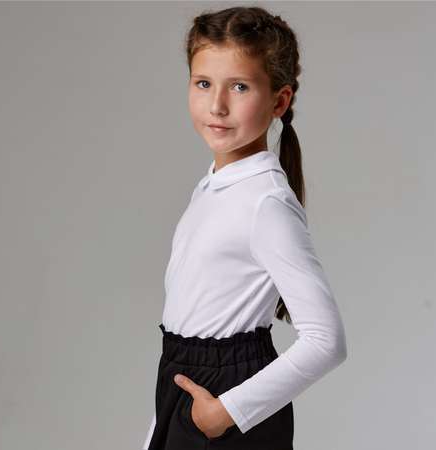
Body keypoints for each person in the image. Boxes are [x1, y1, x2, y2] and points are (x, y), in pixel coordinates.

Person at [143, 6, 347, 450]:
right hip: (183, 380)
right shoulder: (213, 186)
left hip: (228, 400)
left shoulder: (265, 203)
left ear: (279, 101)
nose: (217, 105)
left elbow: (326, 340)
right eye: (203, 83)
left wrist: (227, 412)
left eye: (239, 86)